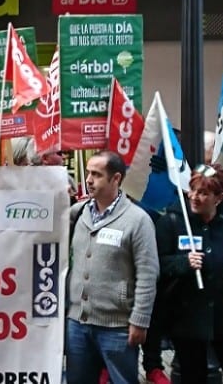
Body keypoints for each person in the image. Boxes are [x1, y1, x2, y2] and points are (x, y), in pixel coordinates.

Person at [156, 164, 223, 383]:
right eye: (192, 190)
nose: (194, 197)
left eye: (203, 193)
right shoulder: (173, 221)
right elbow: (158, 264)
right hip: (187, 320)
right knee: (192, 375)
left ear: (219, 197)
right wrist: (182, 262)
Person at [66, 151, 159, 384]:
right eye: (88, 172)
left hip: (117, 327)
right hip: (77, 324)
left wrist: (139, 320)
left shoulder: (137, 220)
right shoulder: (78, 213)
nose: (88, 179)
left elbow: (148, 274)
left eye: (96, 174)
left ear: (116, 179)